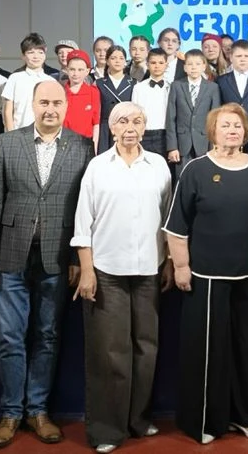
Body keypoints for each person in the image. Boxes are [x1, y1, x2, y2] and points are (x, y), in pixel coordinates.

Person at [0, 79, 91, 449]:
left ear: (66, 106)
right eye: (44, 102)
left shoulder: (82, 145)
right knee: (10, 336)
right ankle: (11, 412)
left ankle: (38, 411)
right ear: (33, 103)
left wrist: (77, 258)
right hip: (10, 254)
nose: (50, 109)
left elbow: (84, 208)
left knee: (47, 335)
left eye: (57, 103)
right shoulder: (7, 143)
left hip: (57, 256)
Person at [164, 103, 248, 444]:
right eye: (225, 125)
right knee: (206, 350)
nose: (232, 130)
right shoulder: (195, 169)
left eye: (237, 126)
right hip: (204, 274)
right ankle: (203, 422)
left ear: (245, 133)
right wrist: (181, 266)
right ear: (212, 132)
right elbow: (177, 226)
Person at [71, 101, 172, 453]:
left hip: (149, 270)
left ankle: (137, 420)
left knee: (146, 348)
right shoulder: (98, 166)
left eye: (137, 121)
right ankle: (106, 430)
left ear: (145, 127)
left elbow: (167, 219)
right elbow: (83, 222)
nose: (130, 127)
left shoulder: (158, 165)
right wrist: (86, 270)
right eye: (123, 121)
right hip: (107, 271)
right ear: (111, 128)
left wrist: (169, 262)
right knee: (110, 352)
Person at [166, 49, 221, 173]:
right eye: (190, 64)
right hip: (182, 144)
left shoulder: (212, 87)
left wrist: (214, 145)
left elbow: (215, 120)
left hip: (204, 143)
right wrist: (172, 147)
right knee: (183, 177)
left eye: (197, 64)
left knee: (205, 177)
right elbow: (171, 118)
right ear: (184, 67)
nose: (194, 67)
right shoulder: (176, 86)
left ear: (204, 66)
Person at [217, 40, 248, 156]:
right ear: (231, 57)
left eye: (246, 56)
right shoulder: (221, 81)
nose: (243, 59)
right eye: (239, 56)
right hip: (229, 136)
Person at [2, 33, 55, 131]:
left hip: (45, 133)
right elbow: (7, 111)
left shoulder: (51, 81)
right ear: (23, 56)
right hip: (19, 132)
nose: (36, 56)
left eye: (40, 52)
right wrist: (10, 134)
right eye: (31, 52)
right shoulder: (15, 78)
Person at [131, 48, 170, 159]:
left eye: (161, 63)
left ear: (166, 65)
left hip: (166, 135)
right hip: (145, 135)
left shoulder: (172, 87)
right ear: (147, 64)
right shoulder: (138, 87)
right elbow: (135, 114)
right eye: (153, 63)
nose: (157, 66)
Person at [96, 45, 135, 154]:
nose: (117, 61)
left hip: (126, 127)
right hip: (105, 129)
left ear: (125, 62)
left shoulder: (134, 83)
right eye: (113, 58)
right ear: (107, 61)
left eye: (121, 58)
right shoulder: (99, 83)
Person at [63, 50, 100, 152]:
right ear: (66, 70)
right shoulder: (60, 92)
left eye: (80, 70)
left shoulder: (93, 92)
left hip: (86, 145)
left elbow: (96, 123)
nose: (76, 73)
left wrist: (94, 147)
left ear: (87, 71)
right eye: (72, 69)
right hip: (64, 144)